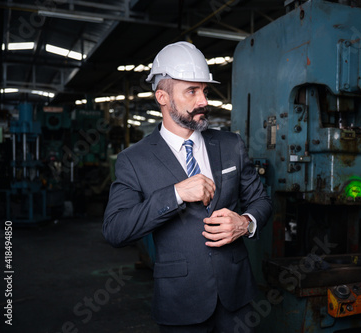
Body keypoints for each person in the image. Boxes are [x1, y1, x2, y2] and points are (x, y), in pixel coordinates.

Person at [102, 41, 272, 332]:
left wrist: (246, 222)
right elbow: (116, 229)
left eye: (204, 90)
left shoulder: (231, 144)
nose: (203, 100)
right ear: (162, 97)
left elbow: (262, 201)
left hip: (237, 298)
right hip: (181, 302)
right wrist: (176, 194)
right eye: (191, 91)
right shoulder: (134, 160)